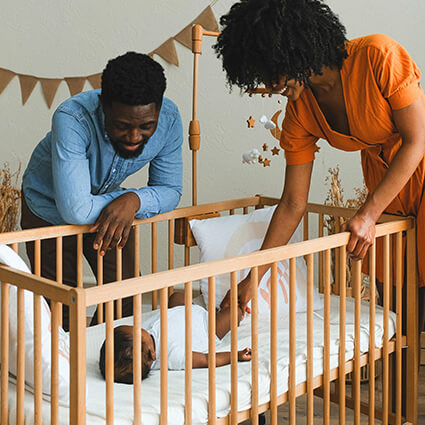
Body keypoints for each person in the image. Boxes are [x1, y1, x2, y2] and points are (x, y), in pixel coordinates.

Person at [215, 0, 425, 329]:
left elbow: (416, 140)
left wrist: (367, 214)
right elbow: (292, 203)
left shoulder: (377, 55)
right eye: (262, 76)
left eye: (274, 71)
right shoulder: (299, 112)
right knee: (402, 318)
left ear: (297, 49)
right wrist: (252, 279)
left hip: (414, 171)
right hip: (389, 190)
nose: (271, 86)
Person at [21, 52, 183, 330]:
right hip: (47, 207)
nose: (134, 137)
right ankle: (65, 366)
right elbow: (75, 209)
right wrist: (123, 199)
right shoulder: (72, 117)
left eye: (146, 126)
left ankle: (96, 360)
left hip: (106, 208)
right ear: (103, 106)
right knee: (61, 307)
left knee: (125, 294)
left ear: (157, 109)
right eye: (122, 126)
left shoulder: (169, 119)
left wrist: (132, 199)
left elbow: (170, 189)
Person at [98, 292, 252, 382]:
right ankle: (234, 310)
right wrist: (236, 355)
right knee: (233, 313)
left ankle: (208, 309)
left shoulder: (146, 336)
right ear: (152, 353)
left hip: (184, 310)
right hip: (207, 328)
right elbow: (207, 359)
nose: (137, 327)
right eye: (135, 330)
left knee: (175, 296)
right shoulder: (172, 356)